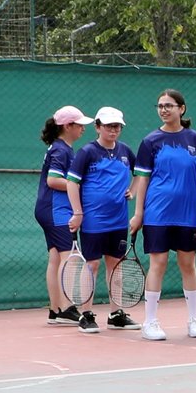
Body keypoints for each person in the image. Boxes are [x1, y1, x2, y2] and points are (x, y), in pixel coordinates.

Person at [129, 88, 196, 342]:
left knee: (188, 264)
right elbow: (142, 180)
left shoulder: (194, 139)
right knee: (159, 264)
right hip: (157, 214)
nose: (164, 110)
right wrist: (139, 213)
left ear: (181, 109)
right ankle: (150, 322)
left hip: (187, 215)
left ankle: (194, 321)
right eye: (160, 106)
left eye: (169, 105)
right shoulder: (150, 141)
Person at [64, 106, 137, 332]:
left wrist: (132, 190)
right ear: (97, 127)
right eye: (108, 126)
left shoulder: (125, 151)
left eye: (117, 126)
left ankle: (116, 314)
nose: (113, 130)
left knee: (115, 265)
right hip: (94, 221)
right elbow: (72, 182)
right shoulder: (87, 152)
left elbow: (142, 174)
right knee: (92, 265)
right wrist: (78, 212)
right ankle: (86, 315)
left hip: (119, 220)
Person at [35, 105, 90, 326]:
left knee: (56, 258)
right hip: (55, 210)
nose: (83, 129)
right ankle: (66, 308)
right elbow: (53, 180)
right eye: (79, 125)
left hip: (48, 208)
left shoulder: (61, 148)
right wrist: (79, 184)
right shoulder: (61, 150)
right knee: (68, 259)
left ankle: (56, 309)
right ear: (67, 126)